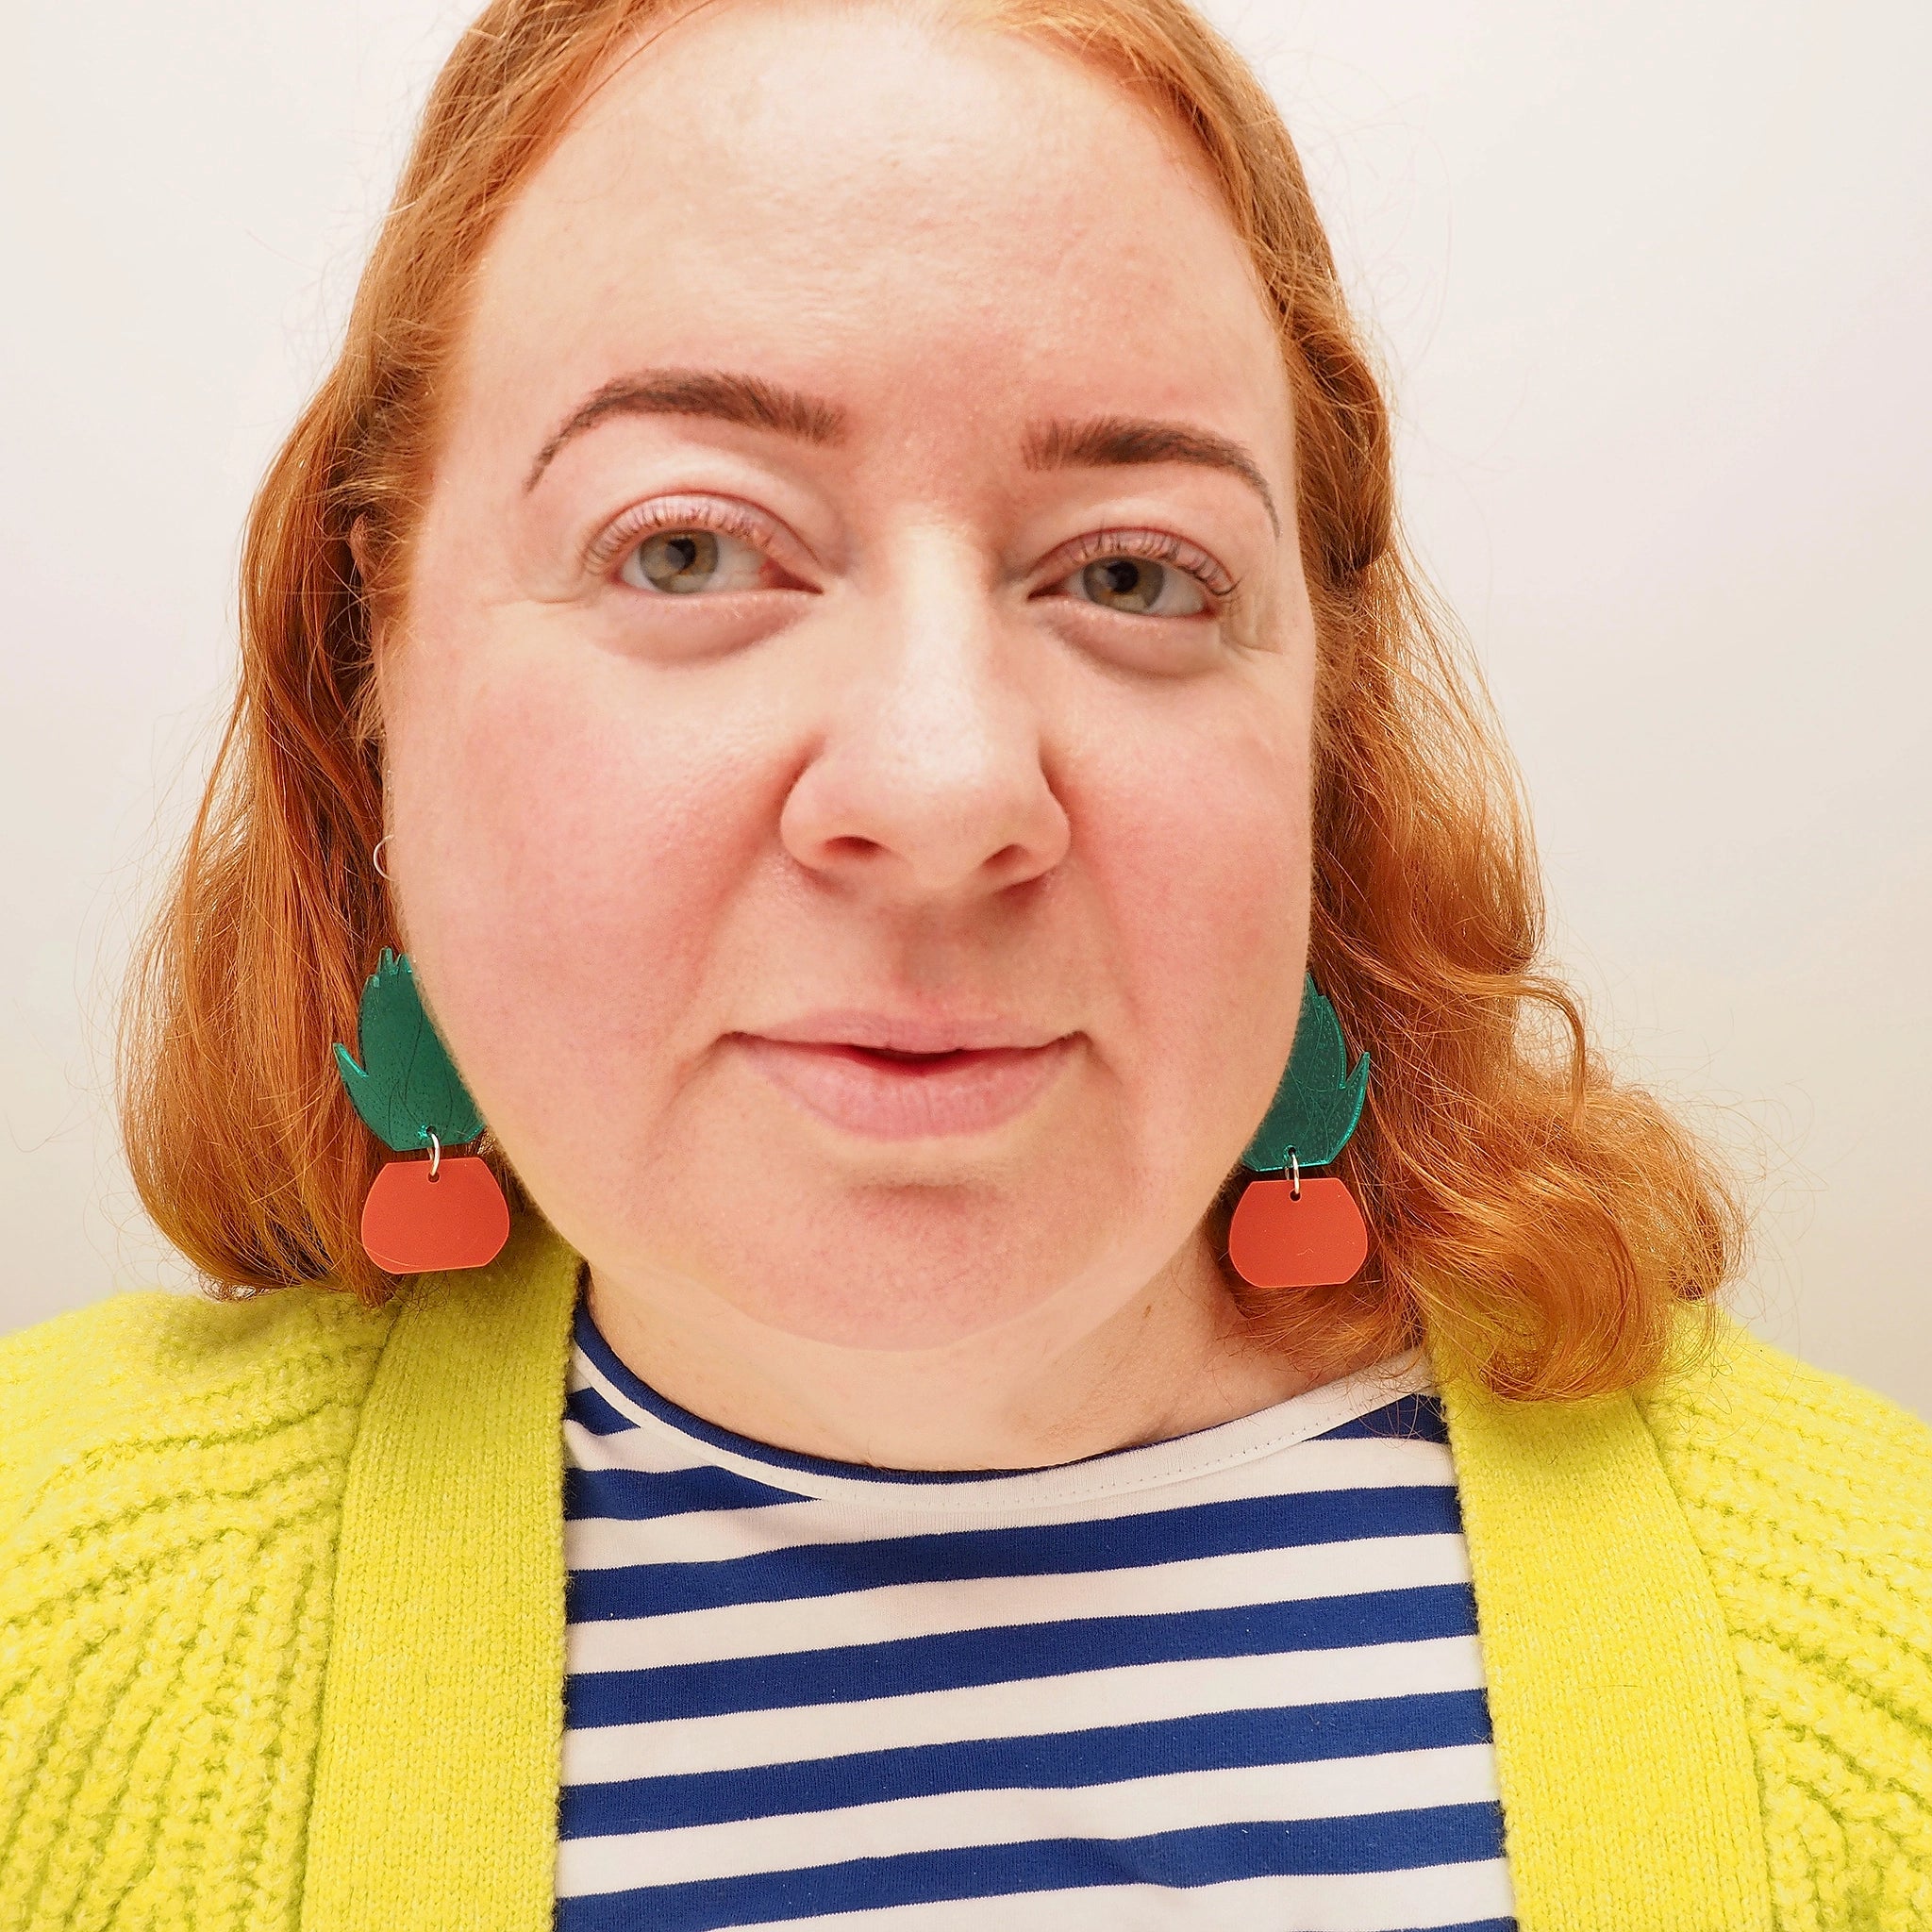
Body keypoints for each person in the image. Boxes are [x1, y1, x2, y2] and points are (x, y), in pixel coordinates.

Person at [4, 0, 1927, 1925]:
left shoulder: (1880, 1672)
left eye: (1131, 573)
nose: (943, 783)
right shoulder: (40, 1627)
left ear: (1318, 731)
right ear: (375, 665)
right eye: (686, 550)